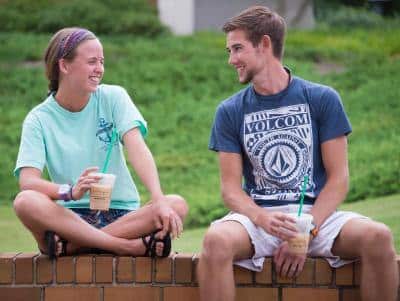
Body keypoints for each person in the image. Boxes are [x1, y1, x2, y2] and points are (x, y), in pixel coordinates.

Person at [197, 6, 398, 301]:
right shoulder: (230, 111)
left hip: (317, 217)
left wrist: (306, 232)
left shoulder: (322, 99)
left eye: (237, 48)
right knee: (215, 241)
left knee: (378, 237)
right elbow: (230, 190)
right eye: (229, 50)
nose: (231, 60)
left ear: (264, 44)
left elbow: (339, 179)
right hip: (260, 218)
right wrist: (261, 218)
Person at [13, 27, 188, 258]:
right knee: (25, 201)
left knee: (176, 204)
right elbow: (28, 181)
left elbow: (137, 148)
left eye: (102, 62)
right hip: (70, 218)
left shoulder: (113, 97)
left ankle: (74, 247)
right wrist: (71, 192)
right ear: (64, 66)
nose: (100, 69)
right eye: (92, 61)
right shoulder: (38, 119)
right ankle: (124, 246)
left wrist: (158, 199)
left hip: (122, 215)